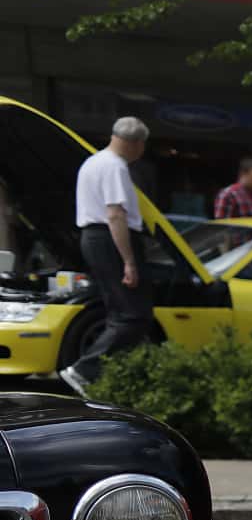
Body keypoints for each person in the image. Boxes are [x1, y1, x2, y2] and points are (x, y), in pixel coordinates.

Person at [60, 116, 156, 393]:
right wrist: (129, 261)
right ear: (136, 143)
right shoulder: (115, 167)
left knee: (118, 313)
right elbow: (115, 214)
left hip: (93, 238)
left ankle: (120, 376)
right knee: (133, 315)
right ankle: (84, 370)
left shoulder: (93, 162)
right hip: (111, 239)